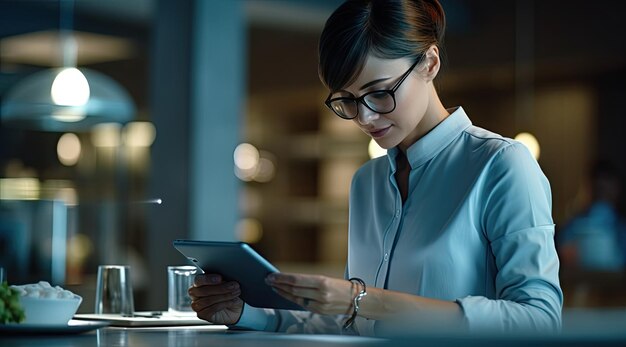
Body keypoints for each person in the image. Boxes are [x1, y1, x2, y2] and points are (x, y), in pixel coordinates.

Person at [189, 0, 562, 336]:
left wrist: (360, 298)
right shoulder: (366, 181)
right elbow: (357, 321)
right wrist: (244, 313)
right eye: (347, 100)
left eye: (380, 92)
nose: (364, 116)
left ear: (430, 63)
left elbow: (539, 320)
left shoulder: (501, 164)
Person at [559, 160, 626, 271]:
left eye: (606, 190)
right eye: (598, 190)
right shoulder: (573, 227)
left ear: (617, 189)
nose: (601, 194)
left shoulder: (621, 228)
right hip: (579, 284)